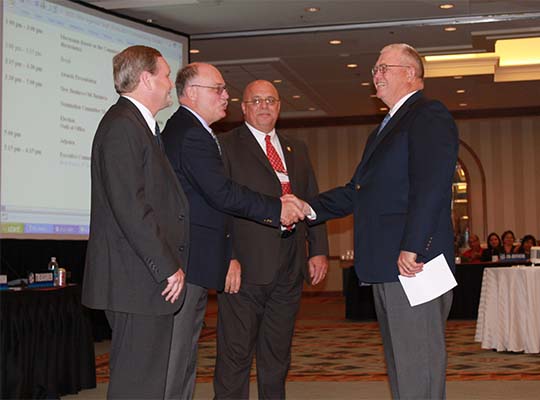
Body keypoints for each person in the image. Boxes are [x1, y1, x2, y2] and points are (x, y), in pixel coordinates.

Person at [306, 43, 459, 399]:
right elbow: (358, 191)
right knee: (403, 367)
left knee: (418, 368)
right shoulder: (383, 130)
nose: (375, 75)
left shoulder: (427, 114)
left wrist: (414, 247)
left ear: (410, 73)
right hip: (388, 264)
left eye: (383, 67)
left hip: (413, 265)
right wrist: (307, 208)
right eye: (374, 69)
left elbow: (432, 184)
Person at [161, 64, 307, 399]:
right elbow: (222, 196)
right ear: (193, 92)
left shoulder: (191, 131)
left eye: (272, 100)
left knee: (184, 360)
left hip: (280, 264)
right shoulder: (197, 136)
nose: (226, 95)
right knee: (191, 359)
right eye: (219, 89)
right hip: (215, 262)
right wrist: (276, 209)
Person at [82, 45, 189, 398]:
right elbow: (130, 206)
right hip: (137, 279)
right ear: (146, 79)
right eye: (165, 75)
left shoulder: (139, 127)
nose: (170, 84)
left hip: (141, 278)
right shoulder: (122, 127)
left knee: (146, 381)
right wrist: (167, 266)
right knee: (137, 385)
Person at [213, 80, 329, 399]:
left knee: (277, 356)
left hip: (290, 265)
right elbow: (217, 206)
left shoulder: (297, 148)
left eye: (271, 101)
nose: (264, 106)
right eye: (257, 101)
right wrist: (227, 256)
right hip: (244, 268)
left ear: (279, 106)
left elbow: (311, 201)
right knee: (235, 356)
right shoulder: (224, 145)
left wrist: (318, 250)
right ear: (244, 107)